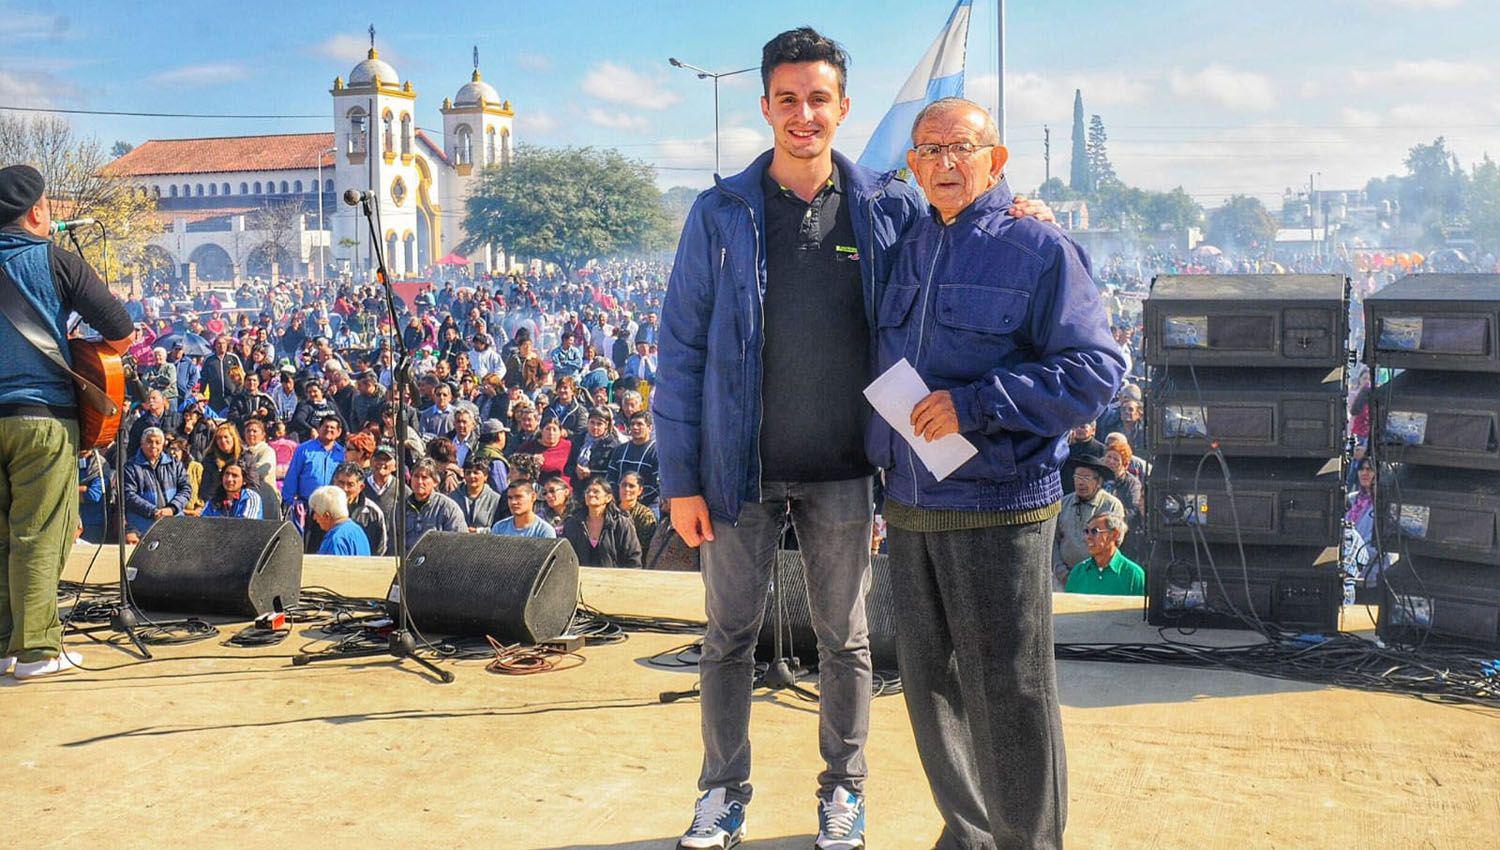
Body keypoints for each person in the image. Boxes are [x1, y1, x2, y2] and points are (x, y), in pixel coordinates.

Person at [655, 28, 927, 849]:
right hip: (740, 472)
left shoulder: (889, 205)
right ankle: (720, 794)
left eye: (819, 99)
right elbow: (681, 350)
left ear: (843, 107)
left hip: (846, 470)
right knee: (727, 640)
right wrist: (680, 479)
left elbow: (954, 247)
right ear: (766, 105)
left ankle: (843, 791)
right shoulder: (721, 214)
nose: (803, 114)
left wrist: (1016, 204)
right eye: (788, 99)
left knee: (845, 640)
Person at [873, 97, 1123, 850]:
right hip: (912, 506)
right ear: (912, 165)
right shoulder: (908, 244)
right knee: (932, 691)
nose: (945, 163)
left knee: (1011, 695)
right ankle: (973, 831)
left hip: (1000, 506)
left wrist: (976, 405)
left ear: (998, 158)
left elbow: (1097, 372)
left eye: (961, 147)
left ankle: (1027, 840)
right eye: (929, 150)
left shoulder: (1039, 248)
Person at [0, 164, 134, 679]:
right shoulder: (55, 262)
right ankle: (36, 650)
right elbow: (120, 333)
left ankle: (6, 643)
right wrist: (76, 352)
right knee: (38, 532)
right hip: (41, 418)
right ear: (36, 212)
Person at [1053, 448, 1125, 590]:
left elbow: (1115, 541)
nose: (1080, 482)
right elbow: (1053, 541)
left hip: (1099, 578)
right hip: (1064, 580)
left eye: (1086, 478)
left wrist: (1090, 574)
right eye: (1077, 477)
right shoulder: (1063, 504)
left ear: (1099, 481)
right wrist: (1062, 573)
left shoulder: (1111, 506)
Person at [283, 414, 347, 544]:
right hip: (308, 507)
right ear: (319, 428)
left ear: (339, 432)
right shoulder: (304, 449)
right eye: (326, 427)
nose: (329, 430)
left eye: (333, 428)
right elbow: (292, 475)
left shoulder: (342, 453)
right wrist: (289, 502)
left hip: (333, 508)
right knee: (308, 544)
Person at [122, 427, 192, 541]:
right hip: (142, 528)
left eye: (157, 442)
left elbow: (186, 489)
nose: (153, 445)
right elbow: (129, 495)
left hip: (173, 524)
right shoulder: (131, 467)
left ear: (163, 444)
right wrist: (153, 511)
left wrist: (172, 508)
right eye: (149, 441)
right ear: (142, 443)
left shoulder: (174, 464)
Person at [562, 476, 642, 568]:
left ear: (608, 498)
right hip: (580, 578)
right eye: (588, 492)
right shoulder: (573, 523)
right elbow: (565, 556)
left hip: (614, 579)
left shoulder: (620, 523)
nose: (591, 494)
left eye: (596, 492)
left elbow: (633, 558)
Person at [1063, 514, 1144, 596]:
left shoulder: (1133, 574)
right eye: (1086, 531)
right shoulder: (1078, 572)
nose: (1088, 537)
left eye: (1094, 531)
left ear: (1115, 535)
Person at [403, 458, 466, 551]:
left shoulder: (448, 508)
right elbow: (393, 545)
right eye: (416, 476)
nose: (419, 481)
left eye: (424, 477)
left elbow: (459, 542)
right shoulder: (400, 508)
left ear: (435, 482)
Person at [605, 411, 659, 507]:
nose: (635, 427)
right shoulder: (620, 450)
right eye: (632, 424)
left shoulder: (656, 452)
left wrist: (634, 501)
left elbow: (657, 485)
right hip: (620, 504)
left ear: (650, 428)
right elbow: (611, 477)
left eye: (639, 424)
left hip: (648, 505)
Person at [309, 485, 370, 556]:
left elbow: (333, 566)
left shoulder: (335, 539)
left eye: (315, 512)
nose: (314, 517)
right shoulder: (357, 530)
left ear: (326, 516)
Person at [491, 480, 557, 538]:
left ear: (533, 497)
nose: (513, 502)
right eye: (510, 498)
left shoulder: (544, 531)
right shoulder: (499, 528)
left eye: (518, 497)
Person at [454, 458, 503, 532]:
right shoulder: (453, 497)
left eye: (476, 472)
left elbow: (500, 528)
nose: (471, 476)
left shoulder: (496, 500)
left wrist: (478, 531)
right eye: (468, 473)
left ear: (485, 476)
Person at [617, 471, 657, 553]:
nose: (627, 489)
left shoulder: (646, 515)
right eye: (624, 485)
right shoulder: (609, 511)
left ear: (640, 490)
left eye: (631, 486)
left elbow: (645, 545)